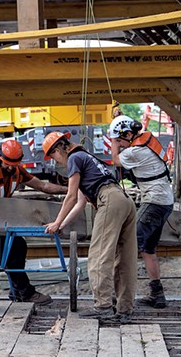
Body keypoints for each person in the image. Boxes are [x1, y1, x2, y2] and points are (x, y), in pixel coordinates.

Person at [0, 139, 68, 304]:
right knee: (10, 252)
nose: (10, 167)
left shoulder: (17, 171)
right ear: (1, 157)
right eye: (8, 164)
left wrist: (70, 189)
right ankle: (25, 292)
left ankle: (16, 290)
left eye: (14, 164)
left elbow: (43, 187)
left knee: (19, 246)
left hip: (0, 219)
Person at [43, 131, 136, 323]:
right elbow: (79, 202)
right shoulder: (87, 157)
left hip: (109, 200)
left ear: (58, 149)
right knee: (125, 257)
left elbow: (69, 196)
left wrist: (56, 222)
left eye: (52, 156)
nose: (55, 161)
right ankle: (124, 308)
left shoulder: (74, 158)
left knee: (99, 255)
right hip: (125, 201)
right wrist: (62, 224)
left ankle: (102, 306)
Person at [109, 115, 173, 309]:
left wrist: (112, 141)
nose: (119, 144)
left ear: (129, 134)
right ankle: (157, 294)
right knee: (148, 250)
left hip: (154, 201)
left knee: (126, 244)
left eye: (120, 140)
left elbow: (115, 160)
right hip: (165, 202)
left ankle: (120, 296)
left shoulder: (135, 152)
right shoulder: (147, 138)